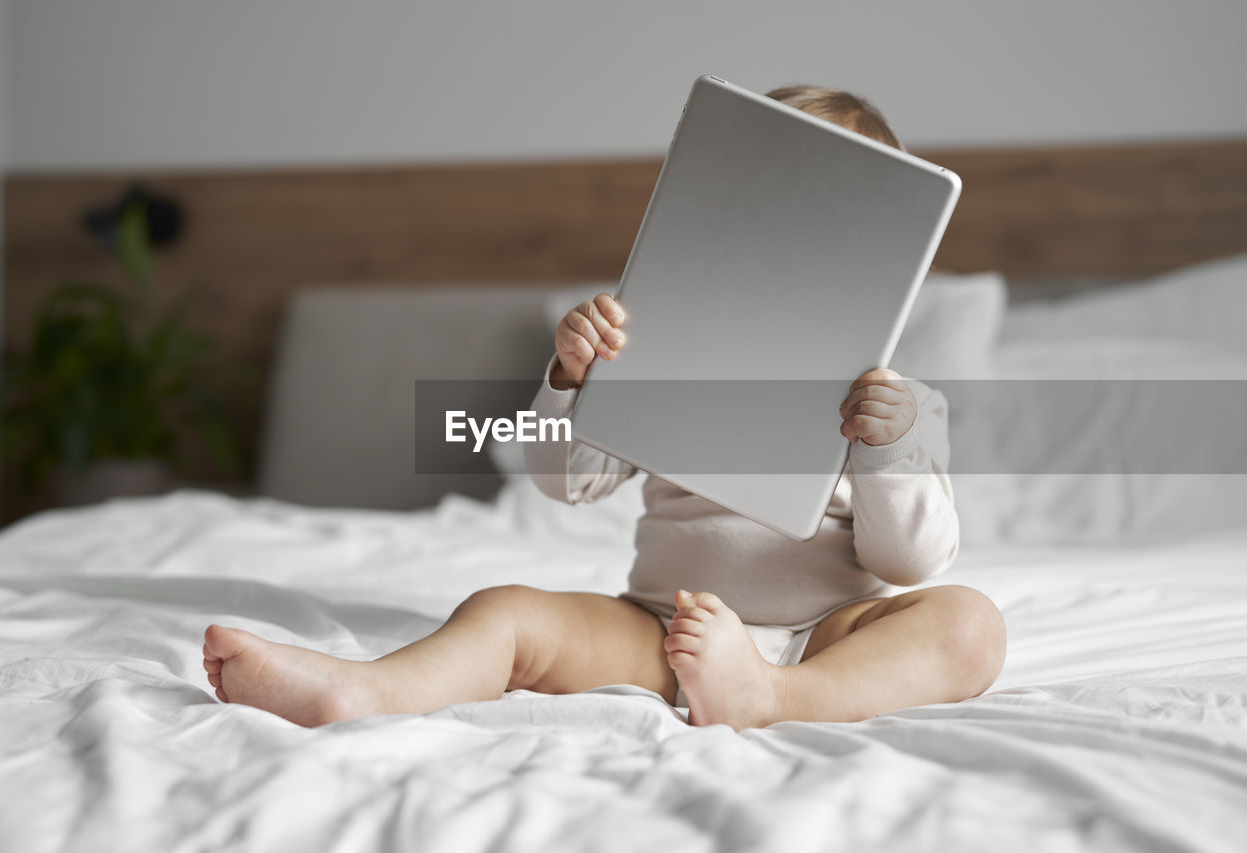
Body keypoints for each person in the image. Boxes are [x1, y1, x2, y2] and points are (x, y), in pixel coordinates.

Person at [201, 86, 1007, 731]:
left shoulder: (903, 403)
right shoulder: (666, 352)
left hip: (834, 632)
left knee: (970, 625)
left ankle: (771, 696)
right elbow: (565, 482)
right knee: (505, 611)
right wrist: (572, 379)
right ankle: (363, 693)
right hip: (665, 627)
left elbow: (911, 561)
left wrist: (886, 445)